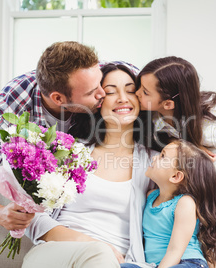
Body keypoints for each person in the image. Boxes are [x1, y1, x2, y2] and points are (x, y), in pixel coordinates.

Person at [0, 41, 138, 232]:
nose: (103, 93)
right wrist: (0, 214)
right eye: (92, 92)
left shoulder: (98, 73)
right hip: (56, 220)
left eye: (102, 85)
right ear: (58, 98)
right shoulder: (15, 100)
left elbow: (160, 86)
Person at [22, 63, 157, 268]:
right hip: (56, 254)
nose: (122, 97)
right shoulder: (69, 151)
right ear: (98, 102)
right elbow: (34, 218)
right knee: (98, 254)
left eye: (130, 90)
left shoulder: (156, 162)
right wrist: (96, 245)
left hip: (118, 262)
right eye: (111, 92)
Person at [128, 140, 216, 268]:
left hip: (187, 263)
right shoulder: (150, 196)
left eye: (163, 156)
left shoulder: (184, 203)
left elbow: (175, 252)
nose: (155, 157)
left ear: (175, 176)